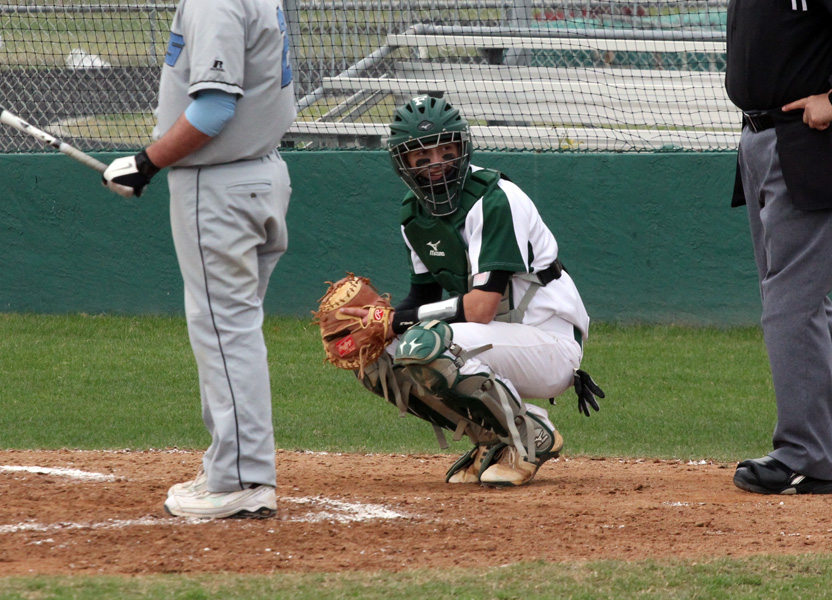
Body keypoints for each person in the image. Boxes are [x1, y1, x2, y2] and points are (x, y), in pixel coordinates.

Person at [343, 95, 601, 487]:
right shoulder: (414, 216)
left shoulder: (495, 199)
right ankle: (493, 438)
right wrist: (382, 324)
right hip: (490, 341)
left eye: (446, 152)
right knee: (375, 355)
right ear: (404, 165)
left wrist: (400, 321)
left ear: (462, 149)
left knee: (424, 344)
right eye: (422, 158)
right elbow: (422, 301)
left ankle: (529, 435)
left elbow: (481, 308)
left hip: (550, 343)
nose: (437, 166)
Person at [102, 0, 296, 517]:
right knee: (233, 328)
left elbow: (212, 109)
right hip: (259, 174)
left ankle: (242, 477)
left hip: (221, 186)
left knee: (224, 330)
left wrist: (145, 163)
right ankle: (230, 465)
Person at [726, 0, 832, 495]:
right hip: (761, 139)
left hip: (807, 139)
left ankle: (807, 456)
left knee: (790, 304)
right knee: (797, 301)